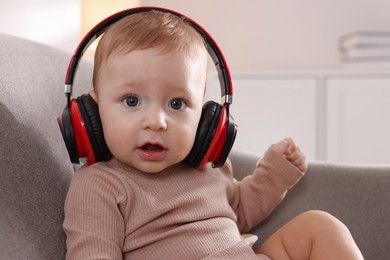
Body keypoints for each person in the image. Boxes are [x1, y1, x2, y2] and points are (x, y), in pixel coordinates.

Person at [63, 9, 363, 259]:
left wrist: (275, 173)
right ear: (92, 112)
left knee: (319, 226)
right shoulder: (100, 185)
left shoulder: (208, 168)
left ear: (209, 119)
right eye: (132, 101)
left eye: (177, 104)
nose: (156, 122)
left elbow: (240, 212)